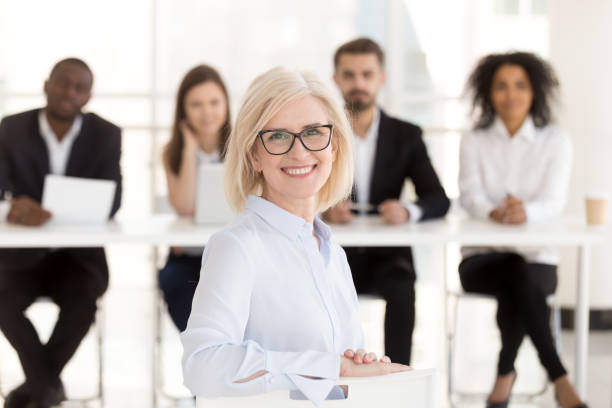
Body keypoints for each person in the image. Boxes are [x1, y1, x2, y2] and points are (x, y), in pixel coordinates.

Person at [181, 67, 410, 405]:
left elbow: (338, 381)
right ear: (254, 155)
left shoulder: (333, 253)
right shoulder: (238, 246)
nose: (299, 152)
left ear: (334, 147)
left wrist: (363, 374)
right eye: (277, 136)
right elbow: (201, 366)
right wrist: (331, 368)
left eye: (314, 132)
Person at [459, 51, 587, 408]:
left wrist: (525, 211)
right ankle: (560, 378)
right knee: (516, 275)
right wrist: (494, 211)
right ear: (488, 92)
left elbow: (554, 201)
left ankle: (504, 375)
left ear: (535, 92)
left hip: (538, 261)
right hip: (481, 261)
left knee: (520, 278)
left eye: (520, 85)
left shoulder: (555, 140)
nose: (510, 94)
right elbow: (469, 196)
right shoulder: (475, 139)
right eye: (501, 86)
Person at [0, 58, 122, 408]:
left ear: (88, 97)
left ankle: (34, 390)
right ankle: (47, 387)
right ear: (46, 85)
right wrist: (13, 206)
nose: (70, 92)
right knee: (2, 302)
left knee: (82, 305)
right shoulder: (11, 128)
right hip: (21, 255)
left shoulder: (106, 134)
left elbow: (113, 201)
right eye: (63, 83)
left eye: (80, 87)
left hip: (77, 257)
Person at [323, 37, 450, 365]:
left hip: (389, 259)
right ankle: (331, 381)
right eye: (349, 75)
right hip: (332, 257)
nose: (359, 84)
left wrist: (408, 210)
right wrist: (323, 208)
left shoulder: (406, 135)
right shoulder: (320, 133)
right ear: (336, 79)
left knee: (403, 290)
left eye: (367, 74)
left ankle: (398, 380)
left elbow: (438, 199)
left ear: (382, 78)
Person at [158, 64, 231, 331]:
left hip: (230, 255)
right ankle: (204, 358)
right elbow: (185, 207)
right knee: (175, 284)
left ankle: (222, 363)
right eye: (196, 104)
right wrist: (189, 149)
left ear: (226, 103)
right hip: (187, 258)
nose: (207, 113)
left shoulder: (244, 149)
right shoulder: (173, 152)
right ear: (183, 110)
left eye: (214, 102)